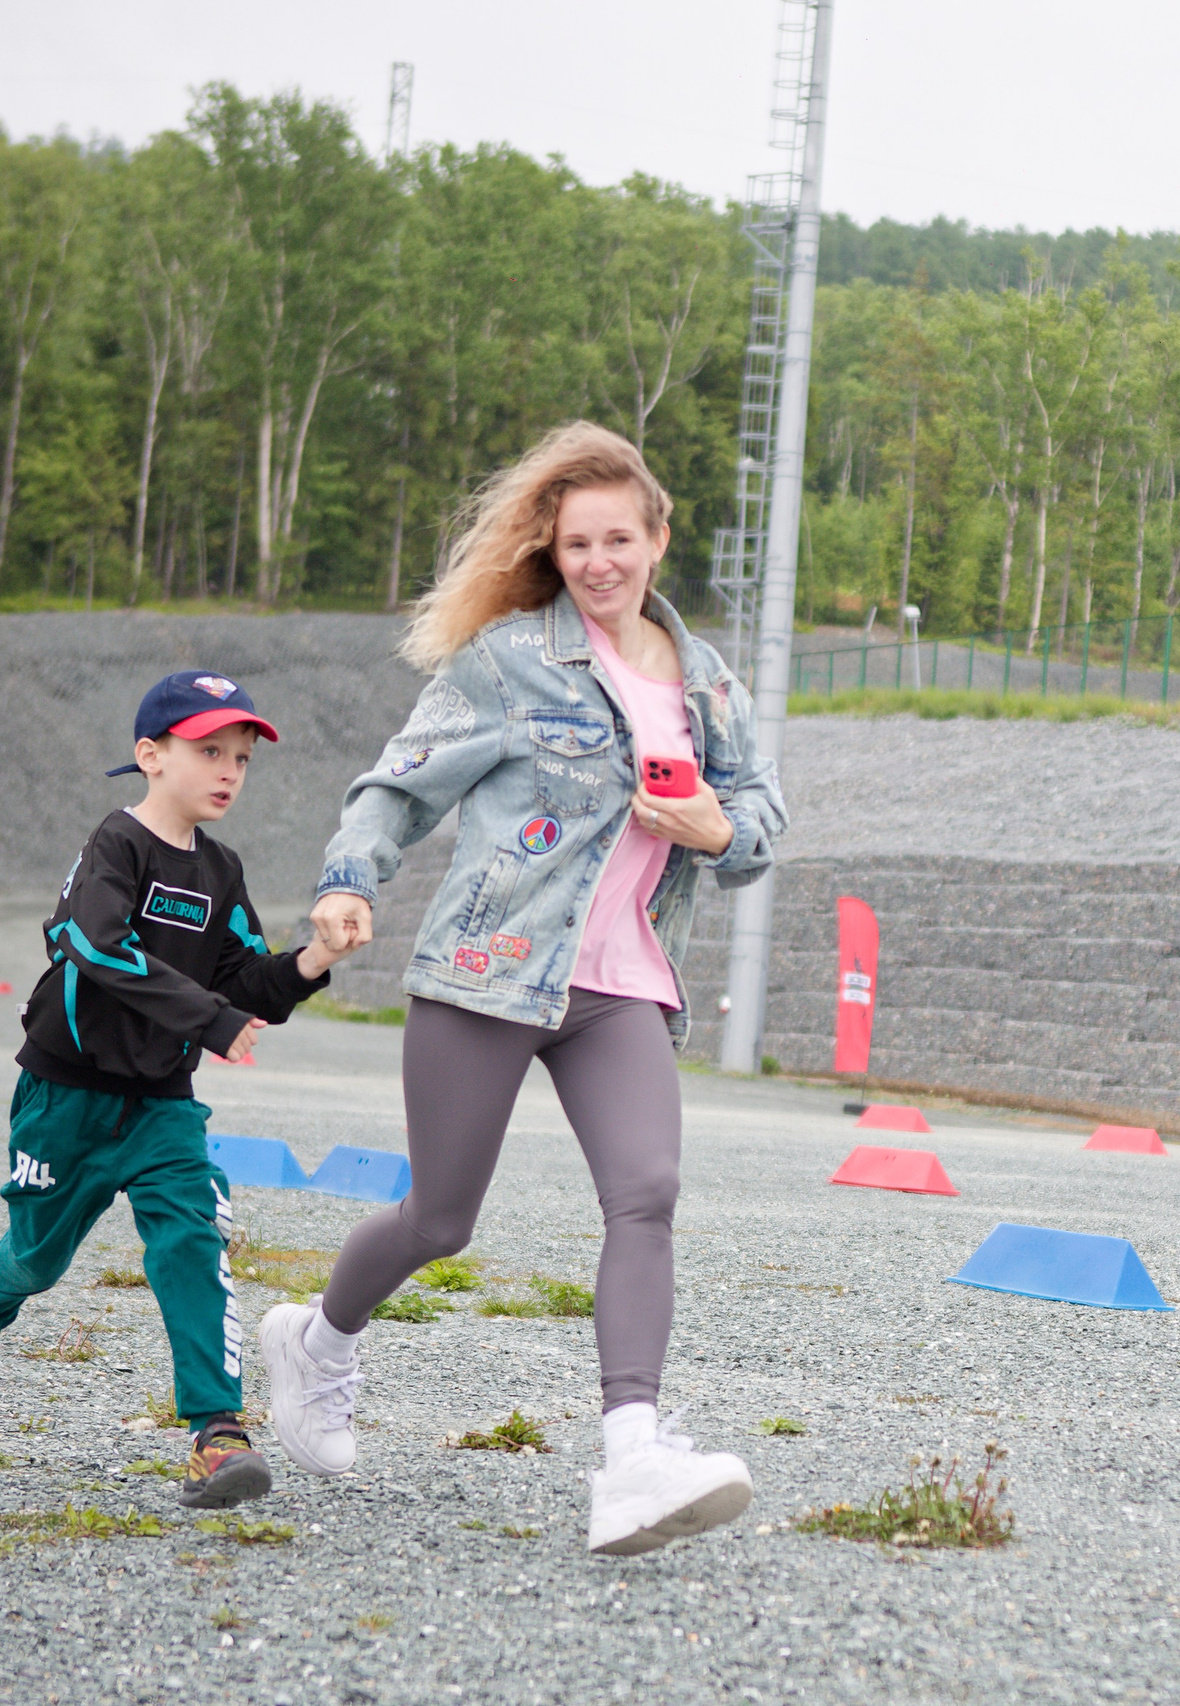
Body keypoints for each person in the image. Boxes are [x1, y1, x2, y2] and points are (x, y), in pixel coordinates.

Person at [262, 420, 785, 1556]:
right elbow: (395, 788)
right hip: (488, 971)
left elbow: (760, 819)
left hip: (622, 984)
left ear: (657, 536)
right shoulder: (508, 660)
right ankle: (316, 1339)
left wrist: (719, 825)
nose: (599, 562)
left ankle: (633, 1455)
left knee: (646, 1193)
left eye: (618, 540)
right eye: (576, 543)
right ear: (553, 550)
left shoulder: (710, 683)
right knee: (440, 1218)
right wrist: (349, 881)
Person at [0, 671, 364, 1508]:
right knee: (36, 1260)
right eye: (209, 752)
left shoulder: (222, 871)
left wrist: (314, 960)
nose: (228, 770)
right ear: (150, 756)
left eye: (240, 757)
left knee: (193, 1241)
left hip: (163, 1106)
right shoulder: (113, 847)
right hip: (66, 1099)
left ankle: (216, 1433)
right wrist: (206, 1017)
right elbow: (97, 947)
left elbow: (246, 984)